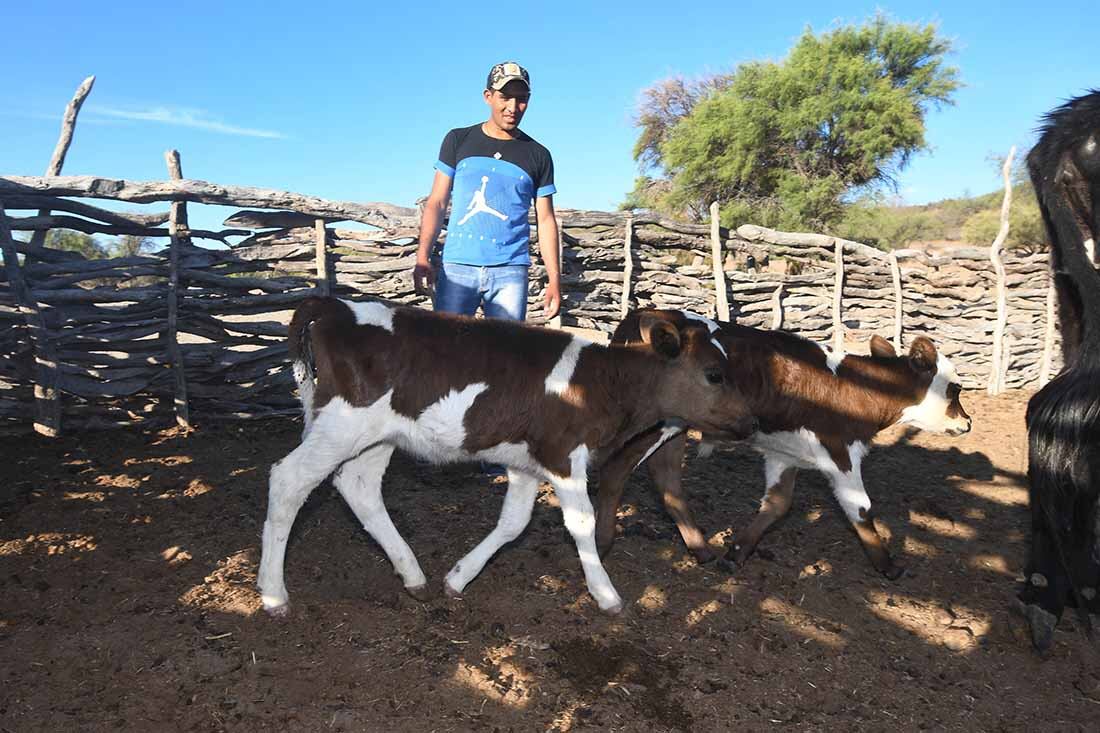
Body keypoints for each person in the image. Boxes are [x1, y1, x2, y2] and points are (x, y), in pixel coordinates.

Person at [414, 61, 561, 321]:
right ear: (488, 97)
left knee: (506, 356)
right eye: (505, 97)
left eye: (522, 99)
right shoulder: (458, 140)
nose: (513, 107)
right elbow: (437, 202)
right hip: (458, 266)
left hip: (510, 271)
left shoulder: (538, 155)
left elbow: (546, 219)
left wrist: (554, 280)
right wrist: (423, 256)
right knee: (447, 351)